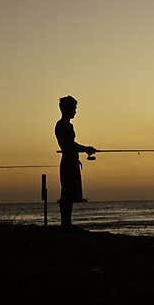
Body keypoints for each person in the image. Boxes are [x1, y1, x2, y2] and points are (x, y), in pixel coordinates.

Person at [55, 96, 96, 230]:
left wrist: (84, 149)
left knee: (69, 194)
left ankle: (67, 223)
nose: (75, 111)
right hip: (68, 162)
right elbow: (70, 145)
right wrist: (86, 149)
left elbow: (71, 145)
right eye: (74, 108)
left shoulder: (66, 125)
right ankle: (65, 224)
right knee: (67, 194)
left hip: (71, 161)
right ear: (67, 109)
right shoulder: (62, 125)